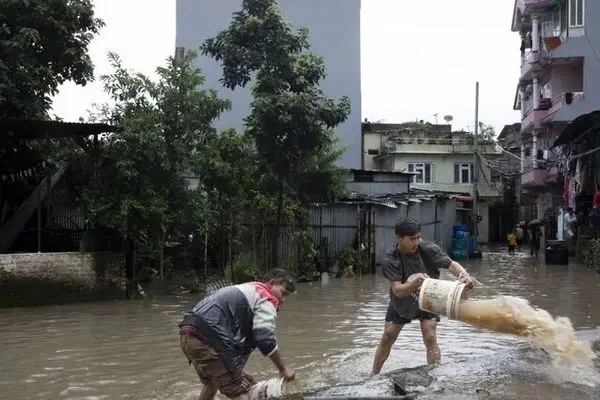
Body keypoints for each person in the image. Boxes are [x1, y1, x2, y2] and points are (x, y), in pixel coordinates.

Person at [371, 218, 474, 375]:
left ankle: (436, 374)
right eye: (412, 239)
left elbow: (452, 265)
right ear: (399, 237)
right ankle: (374, 374)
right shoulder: (391, 258)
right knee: (388, 336)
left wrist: (464, 275)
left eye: (418, 237)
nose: (416, 242)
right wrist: (415, 283)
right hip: (401, 300)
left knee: (430, 335)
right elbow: (398, 290)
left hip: (430, 295)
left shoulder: (428, 249)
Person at [179, 269, 296, 400]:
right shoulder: (266, 297)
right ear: (272, 283)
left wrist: (237, 372)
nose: (283, 300)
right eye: (283, 293)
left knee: (212, 384)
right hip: (207, 339)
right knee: (242, 394)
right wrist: (283, 368)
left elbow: (241, 342)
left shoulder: (250, 289)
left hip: (188, 336)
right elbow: (264, 338)